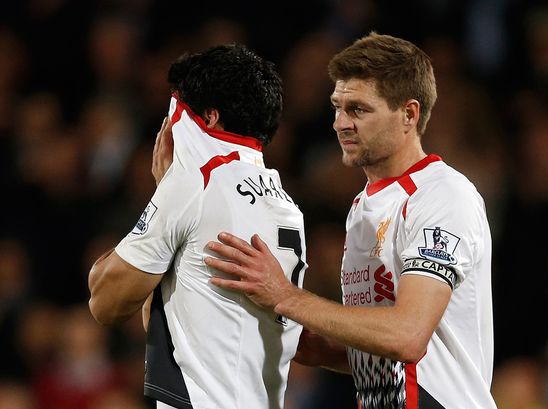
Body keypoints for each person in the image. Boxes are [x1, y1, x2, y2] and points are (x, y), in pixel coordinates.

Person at [204, 32, 497, 409]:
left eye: (358, 109)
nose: (340, 123)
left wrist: (287, 296)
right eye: (337, 107)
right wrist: (269, 324)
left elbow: (407, 336)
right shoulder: (363, 205)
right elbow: (368, 351)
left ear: (409, 114)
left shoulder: (441, 195)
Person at [88, 44, 307, 409]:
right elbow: (168, 323)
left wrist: (164, 192)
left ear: (207, 118)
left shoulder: (197, 185)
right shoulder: (287, 204)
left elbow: (105, 303)